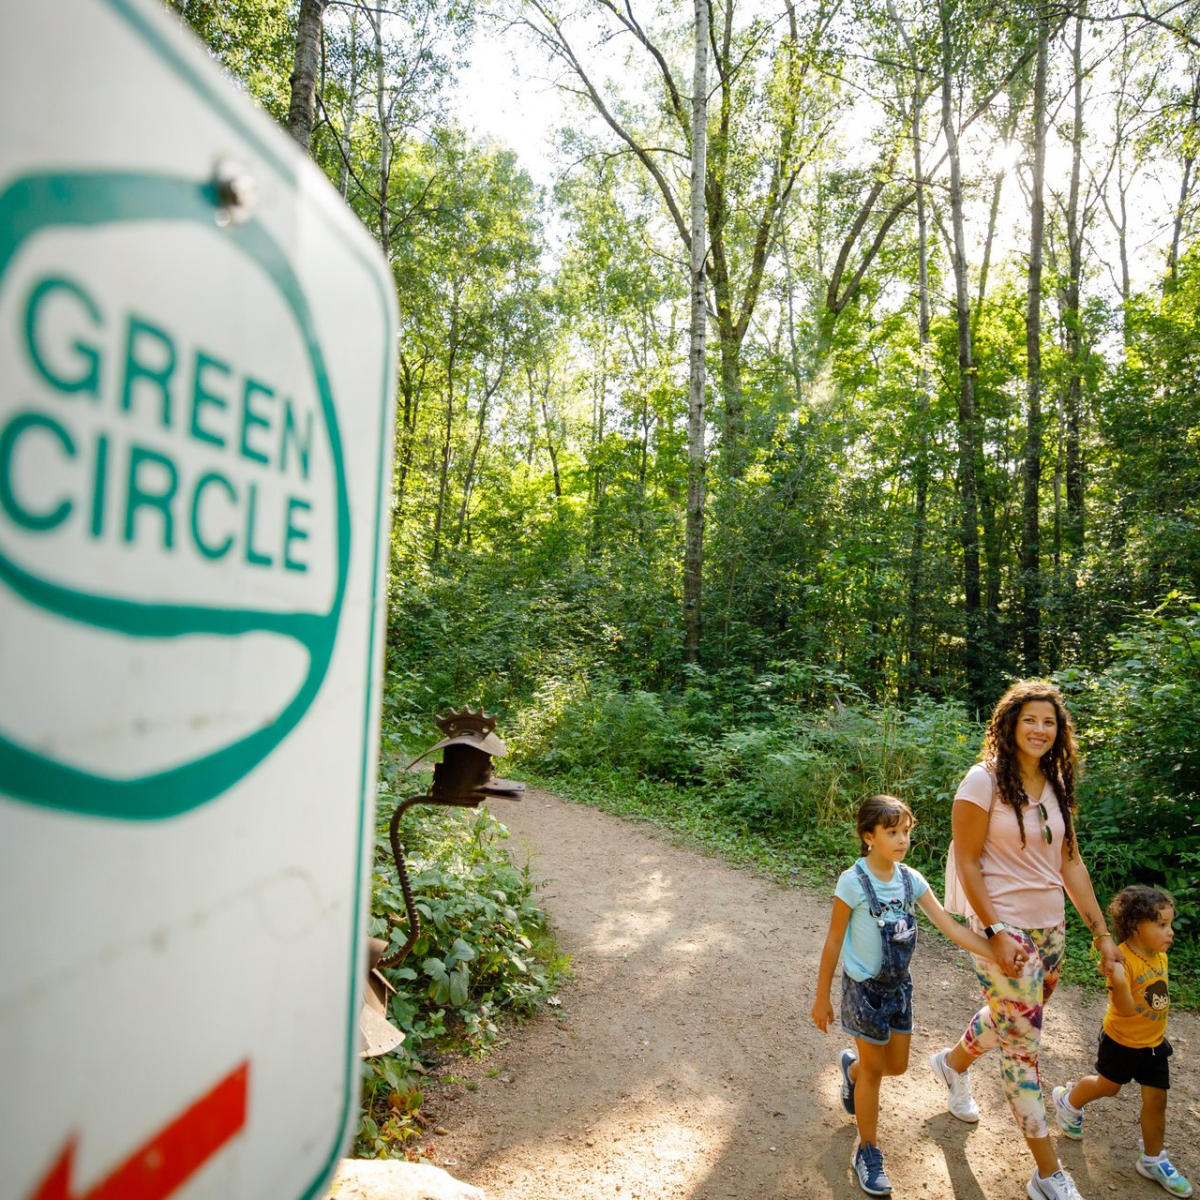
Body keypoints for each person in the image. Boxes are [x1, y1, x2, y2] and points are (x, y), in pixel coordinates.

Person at [930, 679, 1121, 1200]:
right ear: (1010, 724)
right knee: (1023, 1051)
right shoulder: (982, 780)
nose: (1039, 729)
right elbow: (967, 861)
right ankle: (1046, 1174)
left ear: (1060, 732)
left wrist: (1101, 933)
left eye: (1049, 721)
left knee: (1013, 1018)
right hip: (1002, 930)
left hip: (1051, 930)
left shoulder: (1056, 781)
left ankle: (951, 1064)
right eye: (1030, 719)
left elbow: (1070, 862)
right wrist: (993, 932)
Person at [811, 794, 1002, 1196]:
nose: (901, 840)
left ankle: (853, 1071)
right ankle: (868, 1151)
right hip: (864, 991)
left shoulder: (910, 880)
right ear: (868, 836)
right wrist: (821, 997)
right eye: (892, 832)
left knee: (893, 1066)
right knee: (876, 1074)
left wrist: (996, 952)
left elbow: (950, 927)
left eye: (906, 832)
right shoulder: (853, 882)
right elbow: (832, 942)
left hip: (899, 989)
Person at [1052, 886, 1191, 1198]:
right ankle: (1069, 1101)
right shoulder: (1121, 962)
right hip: (1122, 1042)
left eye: (1170, 924)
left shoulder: (1160, 955)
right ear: (1135, 927)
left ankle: (1153, 1159)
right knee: (1108, 1086)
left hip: (1154, 1044)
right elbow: (1127, 1009)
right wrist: (1117, 980)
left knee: (1157, 1100)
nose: (1169, 932)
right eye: (1161, 925)